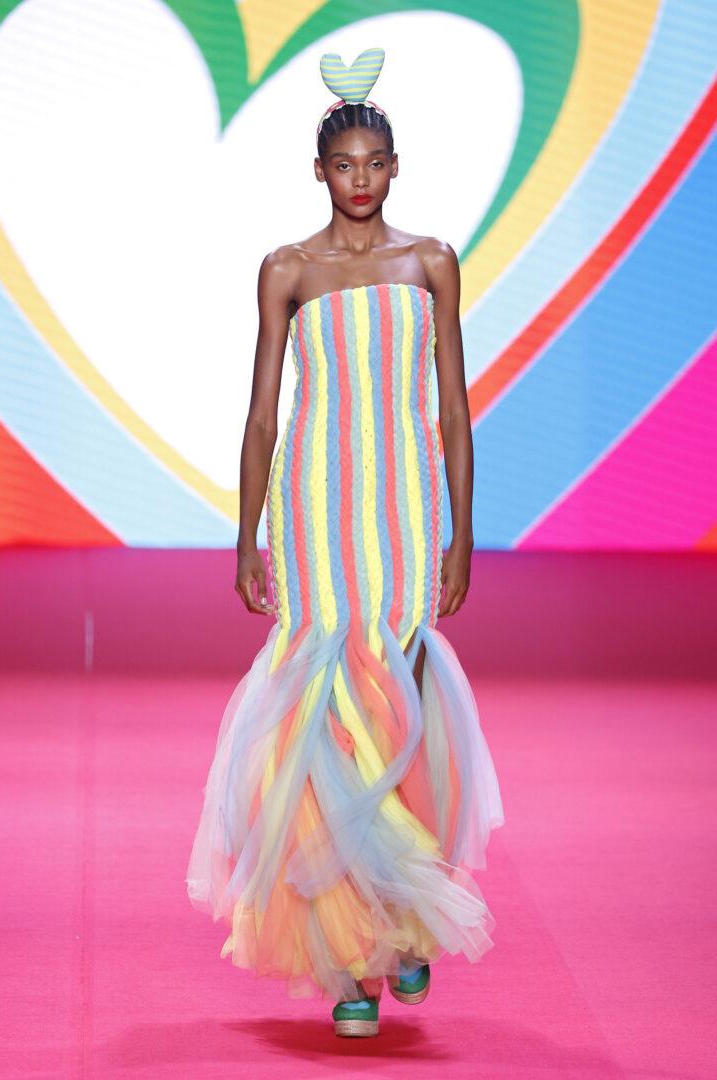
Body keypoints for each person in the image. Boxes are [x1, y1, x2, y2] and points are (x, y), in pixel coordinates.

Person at [186, 45, 505, 1038]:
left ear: (395, 168)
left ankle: (405, 921)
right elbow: (262, 416)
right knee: (326, 718)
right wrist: (248, 537)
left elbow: (453, 410)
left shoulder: (432, 262)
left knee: (398, 705)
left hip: (404, 509)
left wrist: (461, 534)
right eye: (343, 164)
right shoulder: (287, 270)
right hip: (316, 507)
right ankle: (348, 962)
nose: (359, 178)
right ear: (318, 171)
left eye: (374, 163)